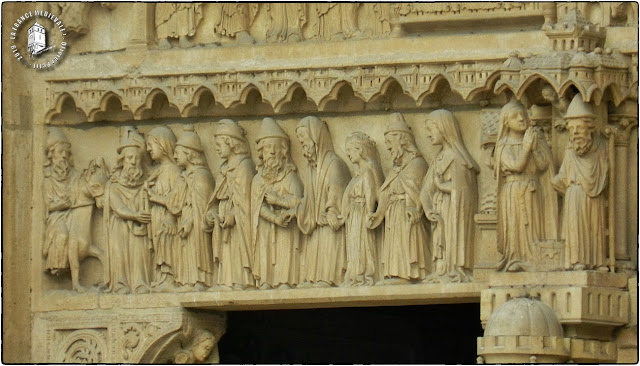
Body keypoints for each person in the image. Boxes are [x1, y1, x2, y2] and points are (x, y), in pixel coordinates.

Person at [494, 100, 558, 272]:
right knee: (517, 224)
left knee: (533, 226)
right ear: (506, 122)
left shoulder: (533, 138)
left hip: (532, 189)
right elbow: (516, 166)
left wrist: (535, 148)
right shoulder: (503, 145)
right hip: (513, 191)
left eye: (523, 115)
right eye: (516, 116)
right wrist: (526, 147)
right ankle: (516, 258)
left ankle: (532, 257)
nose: (522, 119)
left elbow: (543, 166)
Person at [368, 113, 430, 284]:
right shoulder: (395, 169)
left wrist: (412, 206)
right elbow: (386, 192)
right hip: (393, 215)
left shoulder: (418, 164)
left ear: (402, 141)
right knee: (395, 244)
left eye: (389, 142)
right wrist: (379, 212)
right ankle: (394, 273)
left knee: (405, 243)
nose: (387, 147)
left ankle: (406, 273)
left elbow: (418, 192)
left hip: (406, 216)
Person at [43, 127, 105, 292]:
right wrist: (60, 205)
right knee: (63, 234)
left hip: (75, 212)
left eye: (66, 152)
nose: (64, 155)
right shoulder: (48, 178)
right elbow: (48, 205)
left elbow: (86, 186)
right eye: (60, 151)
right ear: (51, 154)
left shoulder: (75, 175)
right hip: (58, 216)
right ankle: (60, 267)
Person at [420, 110, 479, 283]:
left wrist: (440, 186)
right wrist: (428, 208)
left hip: (453, 210)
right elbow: (425, 190)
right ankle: (441, 270)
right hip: (439, 210)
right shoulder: (438, 158)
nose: (428, 134)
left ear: (443, 129)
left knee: (449, 237)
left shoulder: (457, 158)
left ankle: (454, 268)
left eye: (431, 129)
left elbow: (463, 189)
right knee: (440, 239)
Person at [552, 95, 609, 271]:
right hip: (574, 194)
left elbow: (605, 171)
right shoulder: (570, 149)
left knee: (595, 228)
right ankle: (577, 261)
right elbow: (562, 174)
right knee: (576, 229)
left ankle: (598, 261)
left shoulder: (600, 147)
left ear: (589, 128)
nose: (575, 132)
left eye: (579, 127)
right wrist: (559, 183)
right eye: (572, 128)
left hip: (594, 194)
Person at [296, 116, 350, 288]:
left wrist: (332, 210)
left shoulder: (334, 164)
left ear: (316, 139)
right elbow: (308, 199)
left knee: (327, 242)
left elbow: (337, 192)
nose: (303, 147)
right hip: (316, 225)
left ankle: (329, 277)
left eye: (305, 142)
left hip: (330, 225)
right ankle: (314, 277)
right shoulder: (311, 169)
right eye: (301, 143)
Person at [251, 118, 303, 290]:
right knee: (265, 251)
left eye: (276, 147)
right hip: (267, 226)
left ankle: (284, 281)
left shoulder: (290, 176)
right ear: (261, 152)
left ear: (284, 152)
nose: (272, 152)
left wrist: (278, 201)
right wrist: (274, 218)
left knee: (284, 251)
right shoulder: (258, 179)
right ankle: (266, 280)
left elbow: (298, 201)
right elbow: (257, 207)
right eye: (267, 147)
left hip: (286, 227)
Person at [206, 119, 256, 290]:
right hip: (224, 215)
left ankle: (240, 280)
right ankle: (226, 281)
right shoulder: (224, 168)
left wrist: (234, 214)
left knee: (236, 246)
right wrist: (212, 213)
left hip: (238, 219)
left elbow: (247, 199)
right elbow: (216, 196)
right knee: (227, 249)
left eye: (219, 144)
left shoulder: (244, 165)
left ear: (231, 142)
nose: (217, 148)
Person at [104, 127, 152, 294]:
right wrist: (136, 215)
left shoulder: (147, 182)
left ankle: (141, 283)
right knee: (120, 255)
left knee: (140, 255)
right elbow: (118, 208)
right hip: (120, 227)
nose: (133, 162)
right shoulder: (113, 185)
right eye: (129, 158)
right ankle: (120, 284)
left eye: (137, 158)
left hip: (140, 228)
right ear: (122, 160)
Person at [171, 126, 215, 290]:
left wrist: (190, 221)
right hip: (185, 219)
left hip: (197, 222)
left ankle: (200, 279)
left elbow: (204, 205)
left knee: (197, 247)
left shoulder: (201, 175)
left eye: (179, 152)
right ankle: (188, 279)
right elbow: (175, 203)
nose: (175, 156)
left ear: (189, 154)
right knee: (186, 249)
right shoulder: (184, 177)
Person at [340, 132, 384, 286]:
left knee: (362, 244)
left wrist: (369, 212)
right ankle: (355, 274)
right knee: (354, 245)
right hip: (353, 215)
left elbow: (371, 193)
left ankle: (364, 274)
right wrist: (344, 214)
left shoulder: (368, 170)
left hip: (361, 213)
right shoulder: (357, 174)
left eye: (350, 150)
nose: (348, 154)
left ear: (359, 150)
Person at [145, 126, 182, 291]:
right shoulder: (157, 171)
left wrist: (153, 197)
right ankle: (161, 278)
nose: (147, 149)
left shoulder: (173, 171)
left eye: (151, 144)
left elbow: (176, 200)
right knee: (160, 248)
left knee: (167, 247)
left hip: (168, 218)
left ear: (162, 145)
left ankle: (169, 278)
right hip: (157, 217)